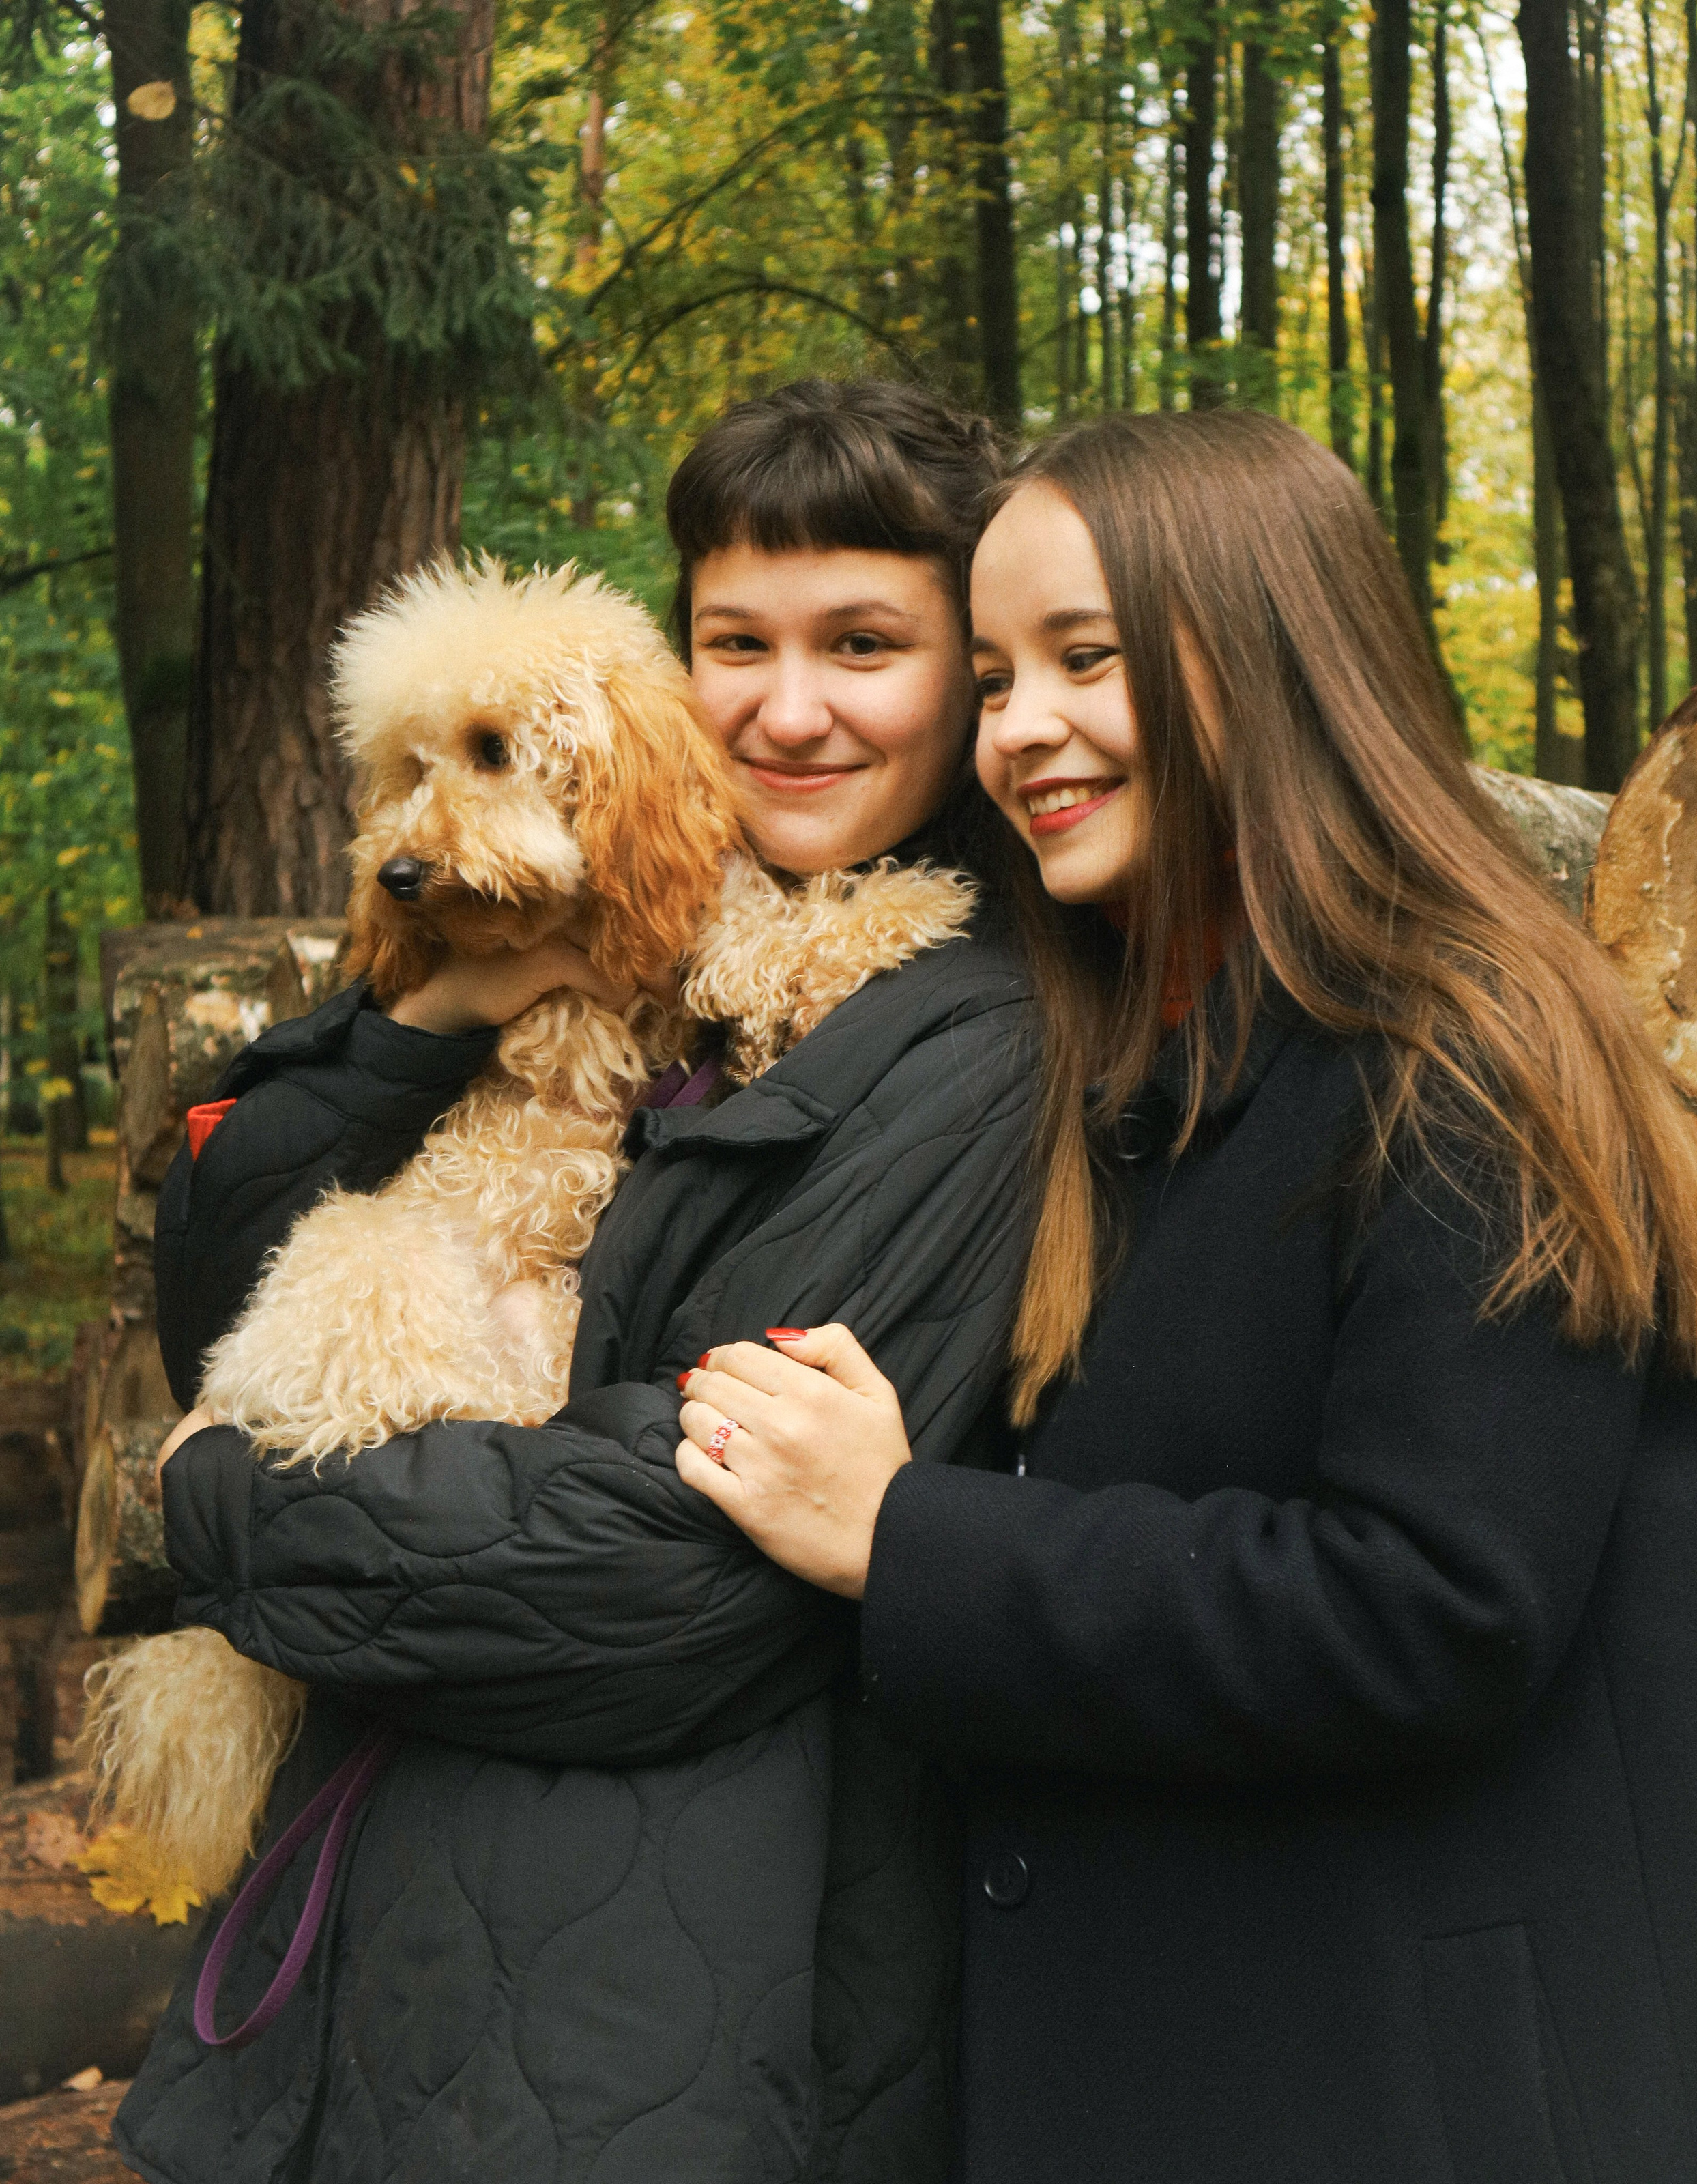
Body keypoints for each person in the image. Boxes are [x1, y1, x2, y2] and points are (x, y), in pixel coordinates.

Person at [678, 410, 1697, 2184]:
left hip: (1422, 2089)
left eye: (1086, 660)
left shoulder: (1462, 1049)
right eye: (1001, 674)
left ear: (1269, 646)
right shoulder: (1154, 1064)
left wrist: (904, 1537)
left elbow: (1435, 1603)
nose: (1023, 730)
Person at [117, 380, 1039, 2184]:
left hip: (663, 2013)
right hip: (405, 1941)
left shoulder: (975, 1043)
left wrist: (216, 1513)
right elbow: (218, 1286)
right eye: (732, 643)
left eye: (864, 643)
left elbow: (666, 1579)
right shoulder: (577, 935)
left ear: (974, 668)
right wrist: (435, 1016)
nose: (786, 709)